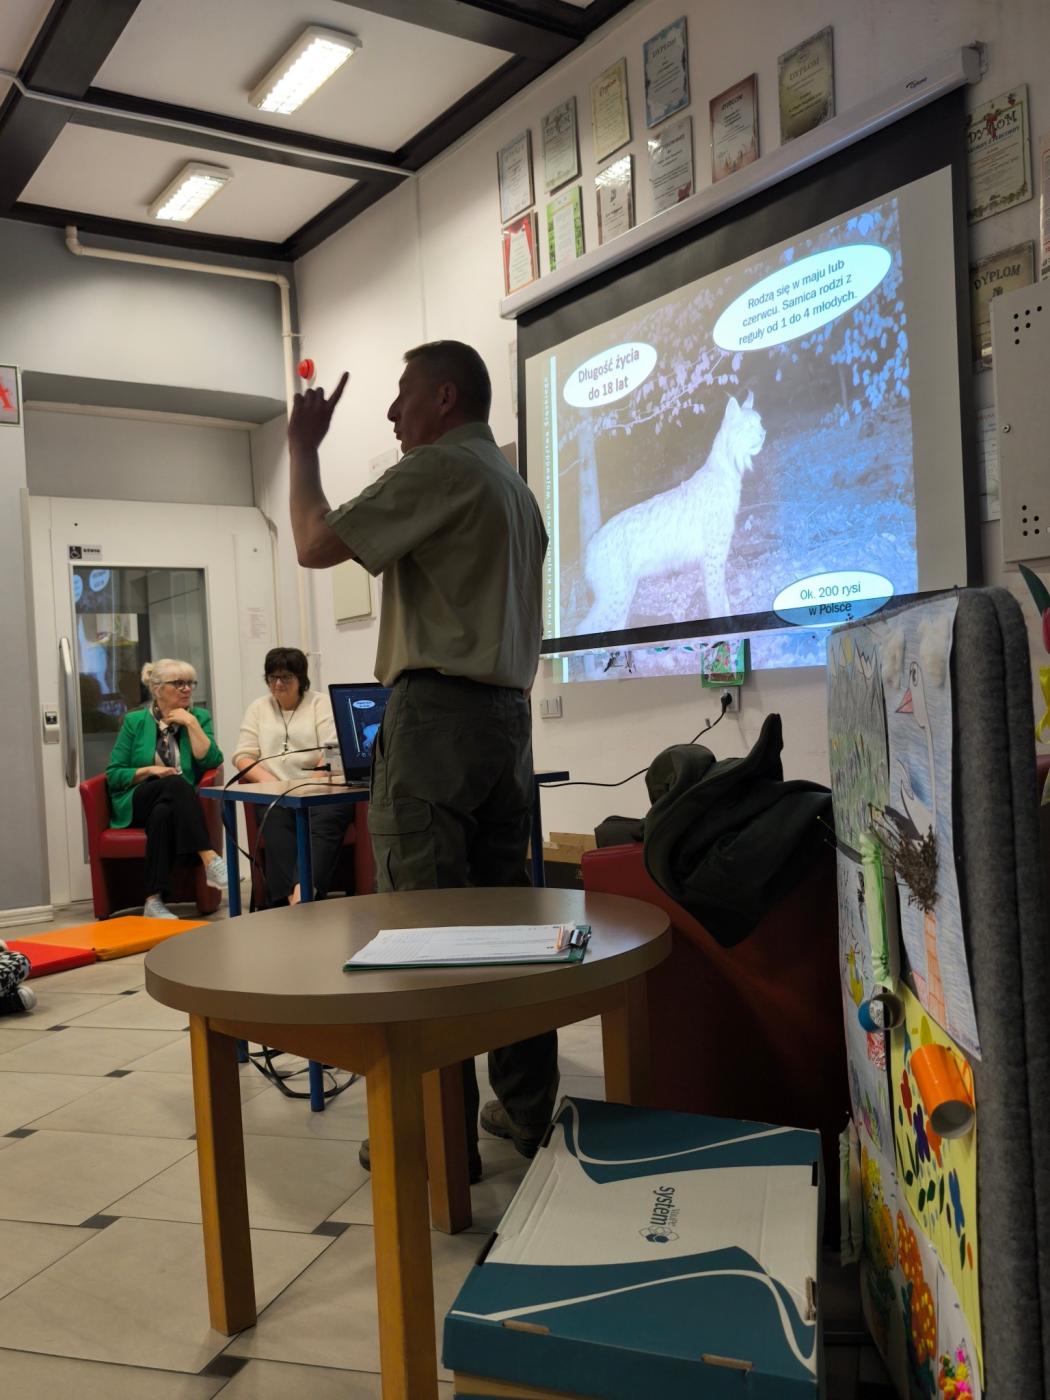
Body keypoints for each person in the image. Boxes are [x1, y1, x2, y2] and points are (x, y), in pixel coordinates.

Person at [288, 340, 556, 1181]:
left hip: (436, 721)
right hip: (507, 723)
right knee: (507, 928)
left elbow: (313, 542)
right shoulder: (516, 489)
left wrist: (302, 447)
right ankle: (524, 1109)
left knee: (424, 932)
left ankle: (438, 1144)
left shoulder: (439, 468)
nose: (392, 413)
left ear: (444, 397)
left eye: (403, 394)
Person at [231, 647, 355, 905]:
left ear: (301, 678)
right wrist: (269, 782)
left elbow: (332, 750)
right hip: (277, 791)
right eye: (272, 677)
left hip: (321, 789)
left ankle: (300, 897)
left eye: (286, 677)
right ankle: (298, 901)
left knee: (326, 819)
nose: (278, 683)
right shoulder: (258, 708)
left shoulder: (320, 703)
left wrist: (312, 783)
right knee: (274, 817)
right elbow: (243, 756)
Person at [105, 660, 225, 920]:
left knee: (163, 814)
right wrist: (150, 770)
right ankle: (209, 858)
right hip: (139, 798)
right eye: (178, 684)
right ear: (157, 689)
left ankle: (153, 901)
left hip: (176, 805)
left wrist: (191, 724)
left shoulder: (199, 717)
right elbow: (114, 774)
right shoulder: (135, 721)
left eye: (190, 683)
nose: (187, 689)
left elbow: (212, 761)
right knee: (174, 783)